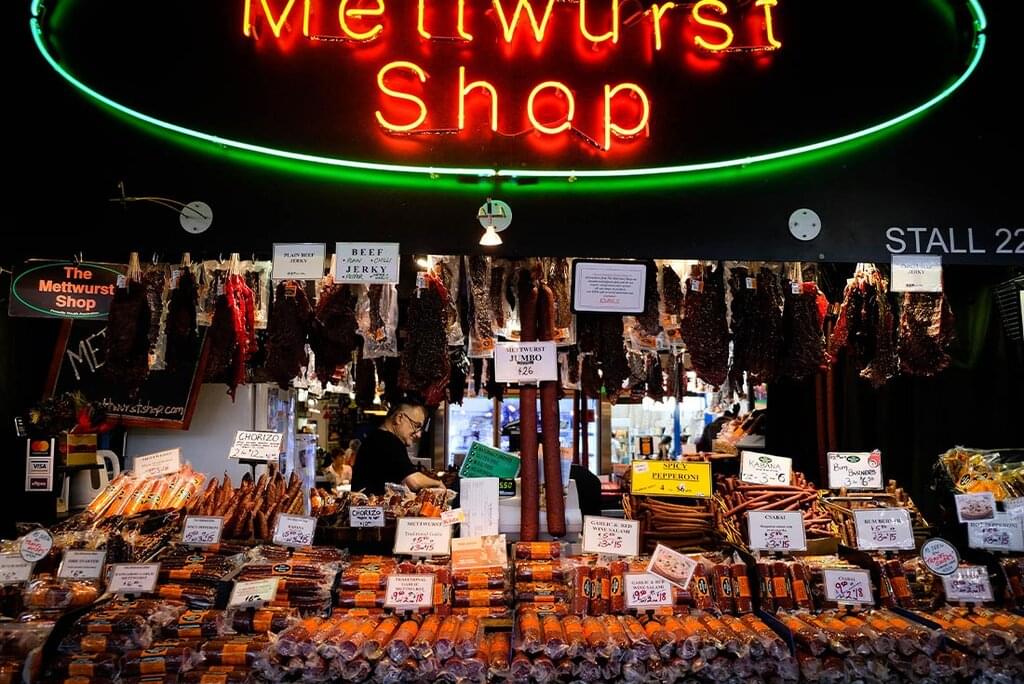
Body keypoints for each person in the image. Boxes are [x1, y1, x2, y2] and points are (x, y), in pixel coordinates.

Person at [350, 398, 444, 494]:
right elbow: (413, 482)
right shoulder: (388, 441)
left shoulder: (377, 437)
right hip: (369, 503)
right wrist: (438, 484)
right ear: (399, 418)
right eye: (416, 426)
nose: (418, 434)